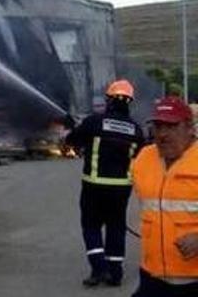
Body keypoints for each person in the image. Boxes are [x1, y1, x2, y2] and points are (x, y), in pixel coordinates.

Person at [65, 79, 145, 287]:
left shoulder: (94, 121)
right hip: (121, 188)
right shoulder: (136, 129)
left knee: (91, 225)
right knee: (116, 227)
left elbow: (73, 141)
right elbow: (142, 157)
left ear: (109, 100)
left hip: (94, 185)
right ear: (129, 102)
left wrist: (75, 129)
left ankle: (99, 269)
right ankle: (115, 274)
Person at [131, 96, 198, 296]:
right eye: (158, 127)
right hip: (153, 275)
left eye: (171, 126)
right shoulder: (145, 158)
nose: (162, 134)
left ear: (189, 127)